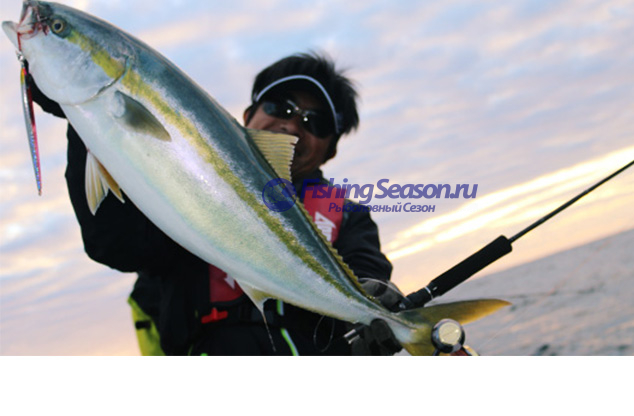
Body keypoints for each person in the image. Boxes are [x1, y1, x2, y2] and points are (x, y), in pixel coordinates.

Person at [32, 51, 405, 355]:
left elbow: (366, 270)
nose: (292, 126)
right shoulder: (182, 185)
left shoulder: (348, 216)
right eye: (280, 106)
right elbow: (117, 245)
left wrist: (376, 297)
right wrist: (85, 118)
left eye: (316, 122)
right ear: (248, 115)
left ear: (331, 149)